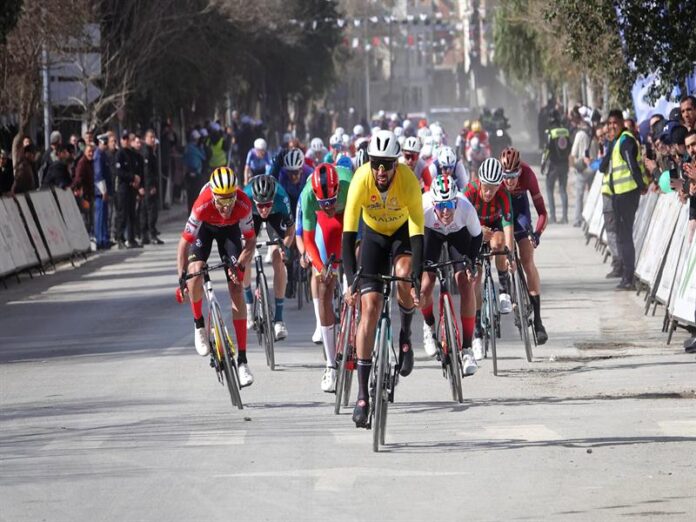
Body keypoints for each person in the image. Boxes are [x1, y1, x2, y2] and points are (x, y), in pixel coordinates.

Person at [342, 130, 424, 428]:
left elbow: (417, 237)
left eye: (386, 164)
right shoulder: (361, 181)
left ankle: (404, 335)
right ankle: (362, 396)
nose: (380, 170)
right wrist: (351, 280)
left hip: (402, 235)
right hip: (373, 236)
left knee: (403, 276)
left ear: (396, 164)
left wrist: (415, 277)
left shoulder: (409, 182)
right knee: (371, 307)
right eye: (375, 163)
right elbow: (348, 235)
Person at [176, 166, 256, 387]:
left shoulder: (243, 203)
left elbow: (250, 241)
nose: (226, 206)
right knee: (195, 272)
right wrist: (181, 278)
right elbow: (184, 244)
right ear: (213, 195)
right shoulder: (202, 204)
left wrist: (239, 264)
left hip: (230, 233)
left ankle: (242, 361)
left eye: (230, 199)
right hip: (205, 230)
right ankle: (199, 325)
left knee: (237, 287)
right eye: (221, 200)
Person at [420, 174, 482, 375]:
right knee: (426, 283)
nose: (445, 211)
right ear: (433, 203)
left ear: (456, 200)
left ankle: (467, 349)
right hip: (431, 233)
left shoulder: (465, 207)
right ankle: (429, 327)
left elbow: (477, 236)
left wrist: (471, 263)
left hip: (458, 234)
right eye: (440, 206)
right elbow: (412, 236)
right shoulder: (424, 207)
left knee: (464, 282)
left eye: (449, 204)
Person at [299, 162, 352, 392]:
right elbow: (309, 242)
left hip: (351, 217)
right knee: (323, 284)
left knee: (362, 274)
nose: (329, 207)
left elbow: (360, 232)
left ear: (337, 189)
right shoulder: (308, 196)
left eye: (331, 202)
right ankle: (330, 365)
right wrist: (322, 268)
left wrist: (353, 270)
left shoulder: (350, 184)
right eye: (324, 203)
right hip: (325, 226)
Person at [464, 158, 516, 360]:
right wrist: (477, 231)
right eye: (486, 187)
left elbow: (508, 225)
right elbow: (461, 223)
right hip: (474, 231)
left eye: (493, 189)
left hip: (494, 230)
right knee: (475, 280)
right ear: (479, 182)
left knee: (498, 245)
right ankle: (476, 334)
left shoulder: (503, 193)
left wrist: (510, 254)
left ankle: (504, 290)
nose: (488, 193)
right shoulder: (469, 191)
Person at [499, 147, 549, 344]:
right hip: (502, 210)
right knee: (503, 249)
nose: (510, 181)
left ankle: (538, 321)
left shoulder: (528, 174)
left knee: (527, 261)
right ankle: (507, 287)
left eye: (514, 175)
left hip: (520, 210)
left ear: (520, 171)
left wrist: (536, 234)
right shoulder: (496, 179)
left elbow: (542, 212)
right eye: (506, 176)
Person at [599, 109, 649, 290]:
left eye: (615, 122)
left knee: (625, 237)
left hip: (627, 194)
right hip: (619, 195)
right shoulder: (617, 141)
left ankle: (628, 277)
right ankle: (626, 275)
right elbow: (604, 167)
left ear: (622, 122)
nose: (612, 126)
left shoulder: (626, 140)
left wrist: (641, 185)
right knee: (621, 236)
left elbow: (631, 163)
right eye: (609, 123)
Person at [242, 174, 295, 341]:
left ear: (273, 200)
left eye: (267, 205)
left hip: (276, 215)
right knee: (246, 255)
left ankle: (279, 320)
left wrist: (284, 247)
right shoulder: (246, 198)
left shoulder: (281, 197)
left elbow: (290, 230)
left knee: (278, 259)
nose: (264, 209)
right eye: (261, 206)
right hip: (251, 216)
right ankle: (249, 305)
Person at [541, 109, 571, 224]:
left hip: (553, 165)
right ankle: (565, 217)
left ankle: (553, 217)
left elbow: (547, 150)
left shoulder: (550, 132)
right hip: (564, 164)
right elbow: (569, 147)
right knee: (563, 190)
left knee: (549, 189)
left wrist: (543, 164)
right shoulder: (565, 131)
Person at [115, 130, 141, 249]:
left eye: (128, 139)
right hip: (123, 188)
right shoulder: (119, 154)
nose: (126, 141)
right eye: (124, 139)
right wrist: (131, 177)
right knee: (122, 214)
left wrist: (136, 180)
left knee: (132, 214)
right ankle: (120, 238)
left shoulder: (132, 154)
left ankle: (131, 238)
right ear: (121, 140)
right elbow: (119, 172)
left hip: (132, 187)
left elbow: (135, 169)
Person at [140, 130, 163, 244]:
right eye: (150, 137)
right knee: (150, 211)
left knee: (147, 210)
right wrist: (151, 186)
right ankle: (150, 234)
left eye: (154, 137)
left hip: (148, 186)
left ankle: (146, 235)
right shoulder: (146, 153)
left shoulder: (151, 151)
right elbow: (147, 172)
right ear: (145, 138)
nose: (153, 139)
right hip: (148, 186)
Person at [93, 134, 113, 250]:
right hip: (100, 191)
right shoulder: (98, 155)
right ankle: (100, 240)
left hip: (104, 190)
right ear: (100, 143)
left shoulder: (103, 155)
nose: (105, 146)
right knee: (100, 216)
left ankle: (105, 239)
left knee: (104, 215)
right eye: (104, 143)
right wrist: (104, 190)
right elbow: (99, 174)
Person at [72, 143, 95, 234]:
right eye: (89, 152)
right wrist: (77, 188)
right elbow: (78, 178)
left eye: (92, 152)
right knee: (85, 217)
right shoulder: (82, 163)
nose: (91, 154)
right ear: (85, 152)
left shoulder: (91, 162)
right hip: (84, 195)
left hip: (90, 194)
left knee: (89, 217)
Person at [184, 130, 207, 213]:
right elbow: (203, 157)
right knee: (197, 193)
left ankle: (190, 211)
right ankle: (196, 211)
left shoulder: (187, 148)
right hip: (196, 173)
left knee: (190, 194)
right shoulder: (196, 148)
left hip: (188, 173)